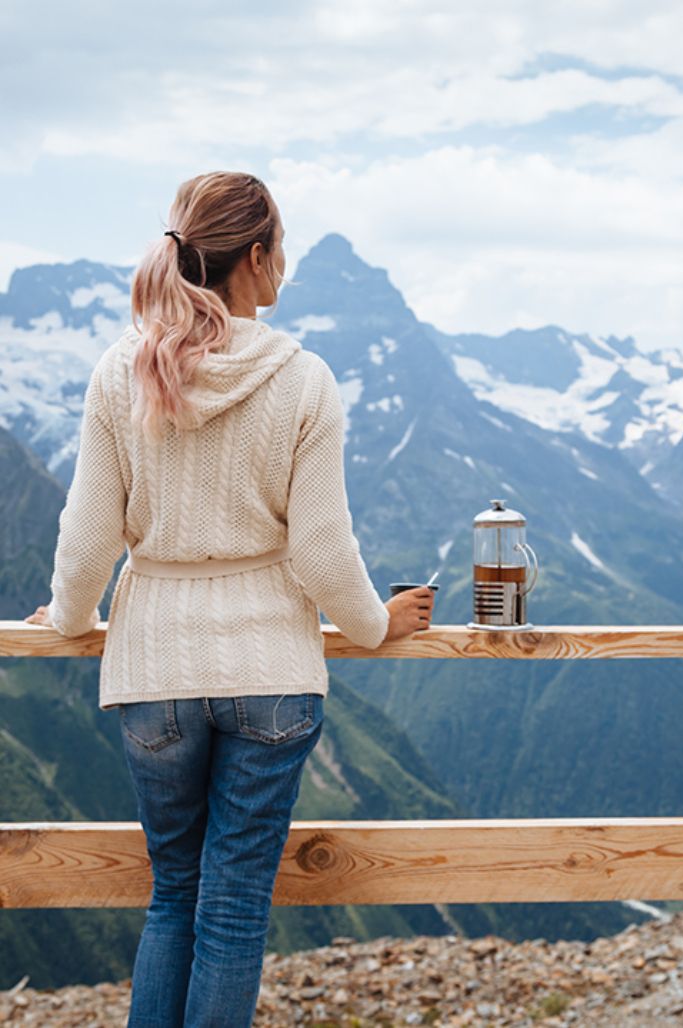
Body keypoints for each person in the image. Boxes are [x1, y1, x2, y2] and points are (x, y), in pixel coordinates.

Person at [23, 171, 435, 1027]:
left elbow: (89, 535)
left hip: (153, 673)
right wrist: (374, 624)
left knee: (173, 894)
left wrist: (65, 620)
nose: (283, 265)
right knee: (235, 906)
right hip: (270, 674)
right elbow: (323, 551)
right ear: (254, 257)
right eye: (279, 249)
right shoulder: (304, 380)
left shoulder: (120, 372)